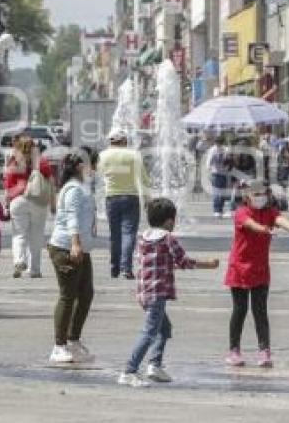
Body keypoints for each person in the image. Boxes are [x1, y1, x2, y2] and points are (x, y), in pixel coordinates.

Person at [118, 198, 219, 387]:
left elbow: (157, 262)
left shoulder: (143, 237)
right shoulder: (168, 238)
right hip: (157, 294)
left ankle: (154, 365)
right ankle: (129, 370)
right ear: (170, 221)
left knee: (164, 329)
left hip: (143, 292)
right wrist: (208, 264)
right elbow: (183, 261)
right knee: (149, 332)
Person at [225, 180, 289, 368]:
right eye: (256, 194)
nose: (261, 198)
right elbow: (250, 224)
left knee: (260, 311)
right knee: (240, 310)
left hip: (260, 269)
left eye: (264, 194)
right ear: (247, 197)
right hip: (239, 269)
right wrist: (265, 229)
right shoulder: (241, 212)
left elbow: (280, 220)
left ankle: (264, 351)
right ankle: (234, 350)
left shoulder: (269, 212)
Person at [47, 153, 96, 364]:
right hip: (66, 247)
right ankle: (58, 346)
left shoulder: (81, 188)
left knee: (86, 294)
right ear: (78, 166)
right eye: (90, 164)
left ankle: (73, 340)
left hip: (80, 248)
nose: (94, 168)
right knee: (68, 296)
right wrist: (76, 243)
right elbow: (72, 217)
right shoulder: (73, 189)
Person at [100, 129, 149, 279]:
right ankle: (125, 269)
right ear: (124, 141)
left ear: (111, 141)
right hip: (131, 197)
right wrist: (147, 198)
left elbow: (100, 174)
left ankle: (114, 268)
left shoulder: (103, 156)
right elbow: (143, 179)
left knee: (114, 235)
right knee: (128, 233)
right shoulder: (133, 155)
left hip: (111, 198)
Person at [5, 137, 55, 278]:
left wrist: (7, 202)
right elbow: (51, 182)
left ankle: (19, 260)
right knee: (37, 236)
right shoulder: (42, 162)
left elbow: (7, 185)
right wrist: (53, 203)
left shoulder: (13, 161)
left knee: (19, 234)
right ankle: (34, 269)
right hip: (38, 200)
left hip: (18, 200)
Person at [209, 137, 235, 219]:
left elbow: (229, 160)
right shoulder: (213, 150)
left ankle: (220, 210)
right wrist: (210, 168)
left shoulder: (225, 149)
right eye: (217, 143)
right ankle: (217, 210)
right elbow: (209, 161)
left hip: (223, 173)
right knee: (217, 192)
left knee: (222, 192)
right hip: (216, 173)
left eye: (219, 143)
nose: (218, 145)